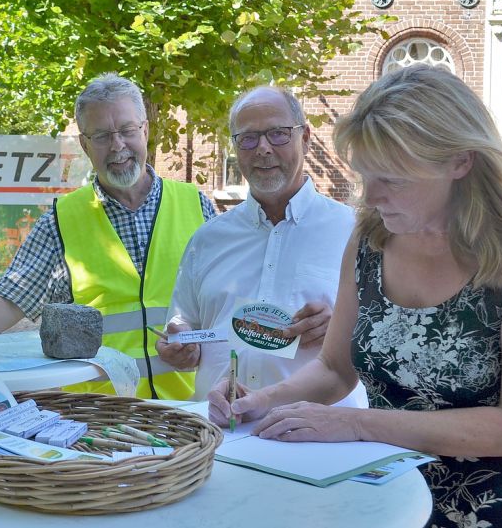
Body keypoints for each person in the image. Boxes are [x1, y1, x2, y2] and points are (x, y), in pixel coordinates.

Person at [208, 65, 502, 527]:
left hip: (497, 512)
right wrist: (264, 400)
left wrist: (358, 425)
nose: (372, 196)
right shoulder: (371, 236)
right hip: (384, 501)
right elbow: (334, 368)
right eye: (365, 175)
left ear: (460, 162)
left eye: (393, 179)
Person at [0, 73, 216, 400]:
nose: (117, 146)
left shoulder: (197, 207)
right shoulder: (62, 221)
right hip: (103, 415)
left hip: (191, 410)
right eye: (101, 135)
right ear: (86, 145)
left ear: (144, 130)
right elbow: (9, 298)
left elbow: (229, 300)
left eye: (127, 131)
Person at [156, 85, 367, 407]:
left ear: (306, 138)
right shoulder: (208, 238)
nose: (263, 149)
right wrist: (180, 343)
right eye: (248, 138)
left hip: (322, 435)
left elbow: (387, 338)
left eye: (278, 134)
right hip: (223, 428)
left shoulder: (354, 232)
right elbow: (185, 323)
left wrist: (343, 328)